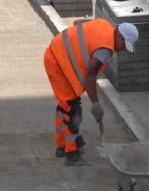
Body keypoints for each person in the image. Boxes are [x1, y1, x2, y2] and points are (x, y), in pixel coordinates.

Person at [43, 18, 139, 165]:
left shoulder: (104, 24)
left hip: (56, 53)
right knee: (72, 112)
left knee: (65, 107)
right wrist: (95, 103)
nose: (123, 49)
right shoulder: (105, 50)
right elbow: (91, 74)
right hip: (59, 65)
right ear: (119, 36)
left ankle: (62, 147)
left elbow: (79, 23)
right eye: (124, 45)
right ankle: (72, 155)